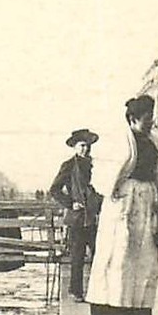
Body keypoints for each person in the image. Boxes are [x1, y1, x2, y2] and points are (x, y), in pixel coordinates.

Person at [87, 96, 158, 315]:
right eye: (146, 118)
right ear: (134, 118)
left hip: (147, 201)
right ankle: (120, 314)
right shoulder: (122, 139)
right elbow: (109, 171)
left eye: (151, 117)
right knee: (121, 258)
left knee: (146, 259)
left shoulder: (154, 141)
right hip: (125, 202)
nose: (150, 122)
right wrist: (115, 189)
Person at [48, 128, 101, 301]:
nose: (86, 149)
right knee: (77, 256)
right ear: (75, 147)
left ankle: (97, 293)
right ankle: (76, 291)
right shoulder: (69, 165)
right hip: (77, 218)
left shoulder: (96, 166)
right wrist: (71, 203)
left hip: (94, 216)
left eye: (88, 146)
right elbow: (54, 190)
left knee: (99, 254)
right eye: (82, 146)